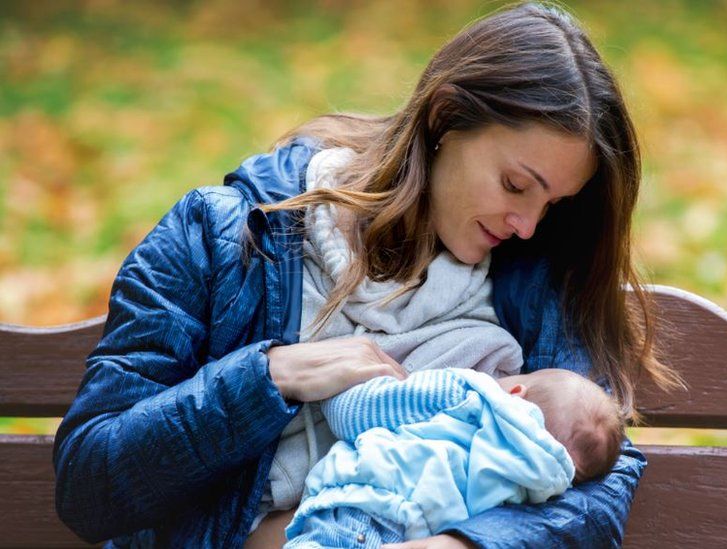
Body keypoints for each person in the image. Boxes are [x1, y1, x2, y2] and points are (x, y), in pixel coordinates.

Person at [53, 2, 684, 548]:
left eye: (553, 206)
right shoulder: (223, 238)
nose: (527, 224)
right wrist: (273, 376)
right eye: (517, 185)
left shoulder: (533, 280)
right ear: (443, 118)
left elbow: (601, 477)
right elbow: (90, 486)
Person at [282, 367, 623, 548]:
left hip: (359, 513)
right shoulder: (541, 492)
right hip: (419, 538)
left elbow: (354, 413)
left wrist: (328, 391)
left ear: (517, 391)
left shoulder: (470, 394)